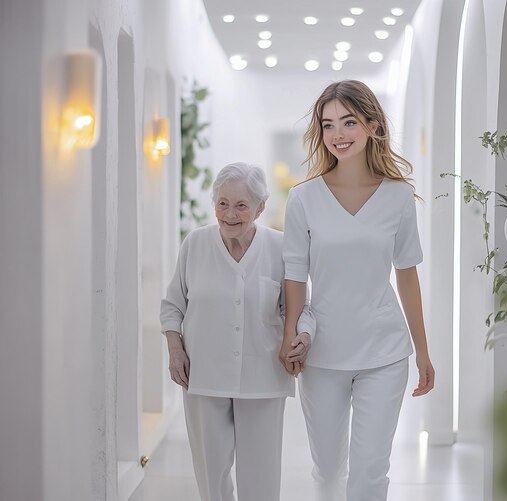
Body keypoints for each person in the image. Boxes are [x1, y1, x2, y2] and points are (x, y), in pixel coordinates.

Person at [279, 80, 435, 501]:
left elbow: (407, 274)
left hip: (384, 352)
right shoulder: (304, 198)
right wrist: (290, 335)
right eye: (328, 125)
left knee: (369, 474)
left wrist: (421, 350)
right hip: (322, 353)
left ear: (371, 125)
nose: (339, 134)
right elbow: (294, 274)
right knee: (329, 473)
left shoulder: (399, 197)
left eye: (349, 122)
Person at [160, 162, 315, 501]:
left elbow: (300, 308)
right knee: (211, 476)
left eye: (242, 205)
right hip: (203, 376)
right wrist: (175, 351)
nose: (229, 214)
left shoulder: (281, 247)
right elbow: (173, 305)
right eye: (222, 203)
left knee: (261, 477)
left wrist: (302, 337)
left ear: (260, 207)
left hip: (263, 377)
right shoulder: (195, 244)